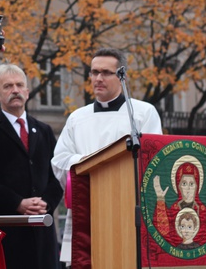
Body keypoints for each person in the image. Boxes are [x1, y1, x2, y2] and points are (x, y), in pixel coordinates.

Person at [51, 47, 162, 262]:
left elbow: (153, 160)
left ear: (122, 76)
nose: (98, 78)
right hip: (89, 209)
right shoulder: (77, 118)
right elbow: (59, 161)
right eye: (94, 72)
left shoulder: (142, 113)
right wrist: (88, 164)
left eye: (105, 73)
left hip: (128, 208)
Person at [0, 63, 64, 269]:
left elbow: (57, 177)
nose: (15, 90)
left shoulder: (44, 131)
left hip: (42, 231)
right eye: (7, 86)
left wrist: (46, 203)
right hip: (8, 231)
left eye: (19, 85)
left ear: (27, 92)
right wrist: (18, 203)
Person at [153, 155, 206, 246]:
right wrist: (160, 199)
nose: (188, 189)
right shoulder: (173, 210)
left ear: (197, 186)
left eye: (192, 184)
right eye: (184, 183)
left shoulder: (203, 210)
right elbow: (165, 232)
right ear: (178, 186)